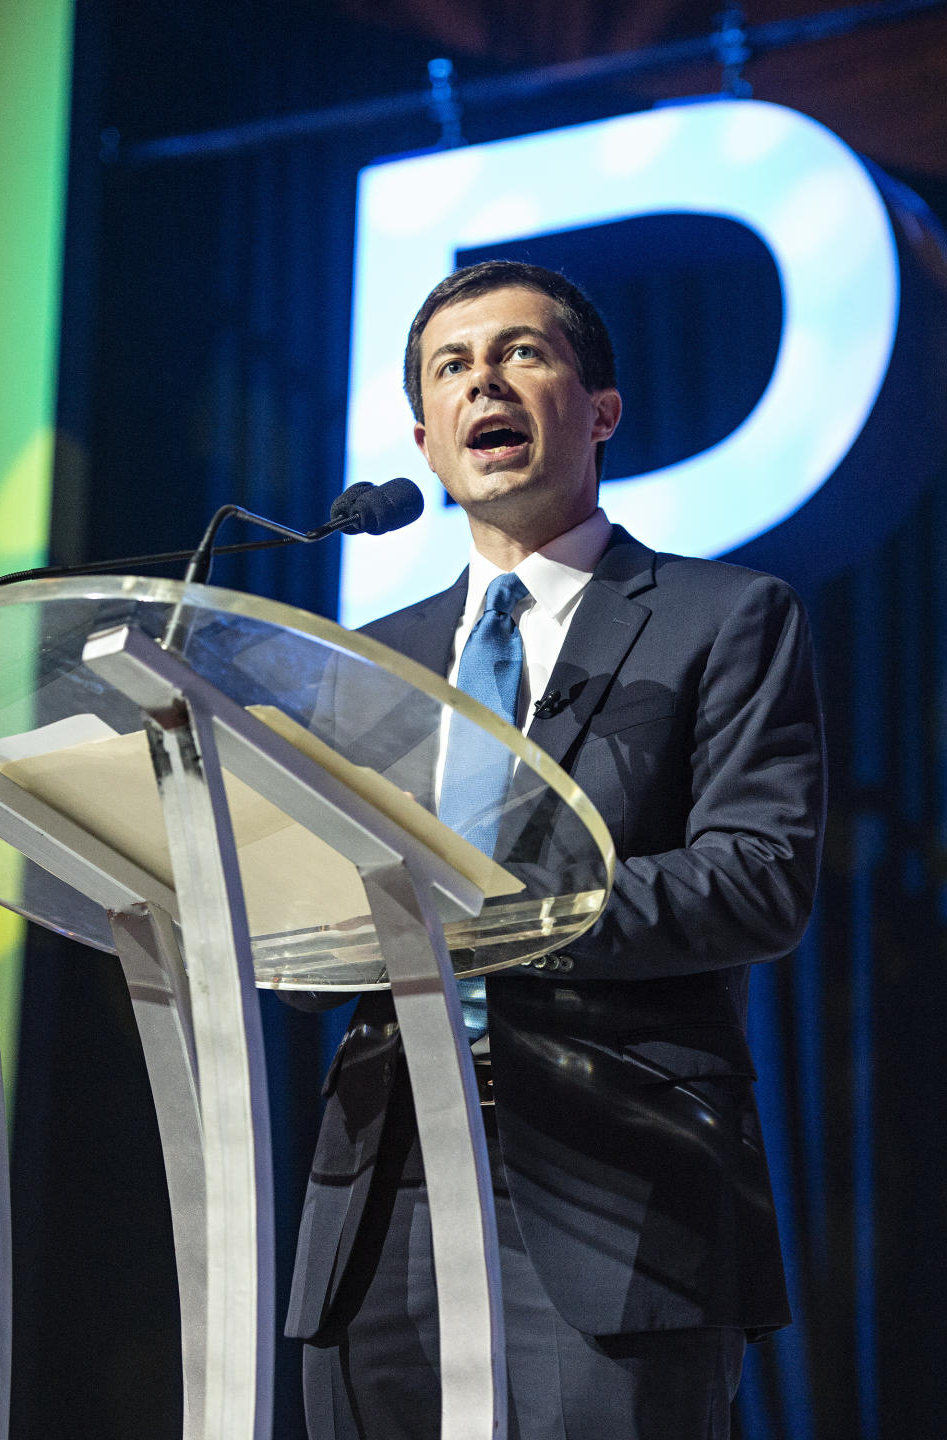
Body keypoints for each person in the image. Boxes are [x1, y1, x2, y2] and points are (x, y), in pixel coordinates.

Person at [285, 260, 826, 1439]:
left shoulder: (723, 617)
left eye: (522, 353)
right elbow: (313, 926)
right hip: (382, 1191)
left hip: (613, 1190)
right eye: (451, 368)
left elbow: (757, 880)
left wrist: (488, 907)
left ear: (602, 412)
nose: (484, 380)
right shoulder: (364, 665)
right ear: (424, 439)